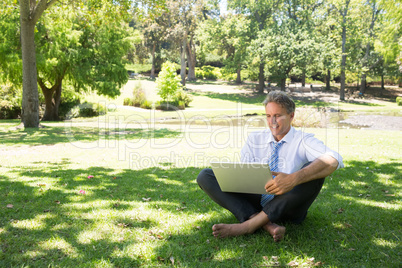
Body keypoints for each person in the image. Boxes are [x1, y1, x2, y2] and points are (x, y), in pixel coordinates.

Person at [197, 90, 344, 241]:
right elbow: (244, 175)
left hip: (288, 206)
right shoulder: (255, 138)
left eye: (278, 116)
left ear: (291, 116)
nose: (272, 121)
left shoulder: (303, 140)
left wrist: (293, 179)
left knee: (314, 172)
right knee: (205, 176)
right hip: (257, 200)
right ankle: (265, 224)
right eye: (268, 116)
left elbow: (333, 159)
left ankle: (246, 226)